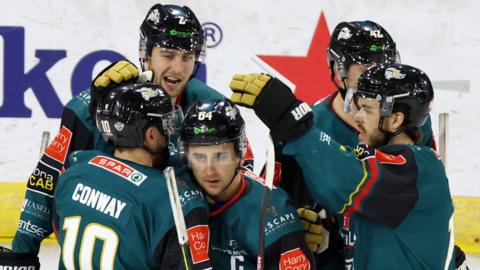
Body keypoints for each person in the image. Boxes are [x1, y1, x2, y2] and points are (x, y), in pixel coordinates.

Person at [2, 3, 252, 266]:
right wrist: (23, 250)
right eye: (167, 55)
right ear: (146, 54)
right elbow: (49, 173)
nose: (178, 69)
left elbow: (242, 173)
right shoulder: (92, 106)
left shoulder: (209, 106)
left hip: (187, 245)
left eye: (187, 57)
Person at [228, 64, 455, 269]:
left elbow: (344, 183)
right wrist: (327, 234)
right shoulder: (385, 169)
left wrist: (294, 120)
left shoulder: (420, 169)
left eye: (367, 109)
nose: (356, 117)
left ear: (395, 119)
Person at [54, 82, 211, 269]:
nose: (171, 134)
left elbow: (58, 229)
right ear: (151, 136)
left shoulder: (73, 172)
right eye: (167, 126)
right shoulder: (172, 200)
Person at [178, 98, 314, 269]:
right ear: (186, 157)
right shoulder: (176, 191)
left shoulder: (273, 216)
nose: (209, 170)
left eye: (220, 156)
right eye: (199, 157)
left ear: (240, 153)